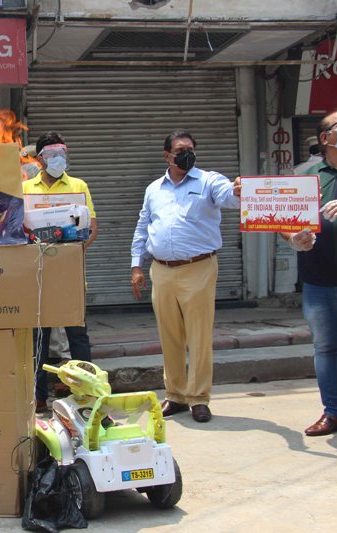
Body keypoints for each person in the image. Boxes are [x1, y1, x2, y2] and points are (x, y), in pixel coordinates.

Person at [130, 129, 241, 423]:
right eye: (180, 150)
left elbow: (229, 196)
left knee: (199, 335)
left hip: (198, 268)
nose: (186, 154)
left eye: (190, 149)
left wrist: (239, 191)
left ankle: (199, 398)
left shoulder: (209, 181)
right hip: (161, 270)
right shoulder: (154, 189)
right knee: (170, 336)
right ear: (167, 155)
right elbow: (143, 226)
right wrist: (136, 265)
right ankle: (176, 395)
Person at [282, 109, 337, 437]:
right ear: (325, 138)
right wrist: (293, 238)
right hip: (318, 281)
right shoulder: (304, 176)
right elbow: (282, 219)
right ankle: (334, 413)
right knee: (325, 349)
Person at [22, 132, 96, 412]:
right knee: (38, 340)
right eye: (52, 155)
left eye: (61, 154)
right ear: (39, 159)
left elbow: (91, 227)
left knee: (78, 338)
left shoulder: (78, 185)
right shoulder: (26, 188)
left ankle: (86, 394)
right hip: (37, 277)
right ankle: (38, 397)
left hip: (69, 276)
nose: (58, 159)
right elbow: (20, 230)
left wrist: (71, 252)